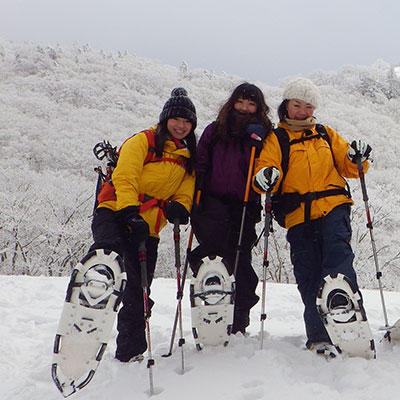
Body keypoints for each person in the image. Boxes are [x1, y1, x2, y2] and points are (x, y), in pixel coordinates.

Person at [253, 77, 372, 354]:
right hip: (298, 216)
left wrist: (358, 157)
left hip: (333, 207)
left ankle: (350, 326)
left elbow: (350, 165)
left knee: (338, 261)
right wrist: (265, 177)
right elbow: (266, 168)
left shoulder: (325, 133)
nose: (303, 111)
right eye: (297, 105)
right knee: (308, 274)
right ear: (286, 105)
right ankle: (319, 336)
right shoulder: (277, 138)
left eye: (308, 106)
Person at [90, 87, 197, 362]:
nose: (181, 126)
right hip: (114, 211)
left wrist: (181, 208)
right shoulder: (143, 141)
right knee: (108, 254)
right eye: (176, 120)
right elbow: (125, 176)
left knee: (140, 290)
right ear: (165, 120)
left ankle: (130, 350)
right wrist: (128, 211)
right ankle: (91, 290)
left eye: (187, 122)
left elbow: (186, 190)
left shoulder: (189, 159)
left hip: (147, 229)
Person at [189, 83, 273, 335]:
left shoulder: (263, 135)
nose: (245, 108)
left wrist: (258, 142)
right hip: (211, 202)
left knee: (240, 260)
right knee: (215, 255)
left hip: (245, 204)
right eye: (241, 102)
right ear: (232, 103)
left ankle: (239, 318)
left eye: (251, 104)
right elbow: (200, 161)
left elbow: (268, 166)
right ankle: (212, 308)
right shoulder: (215, 130)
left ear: (259, 108)